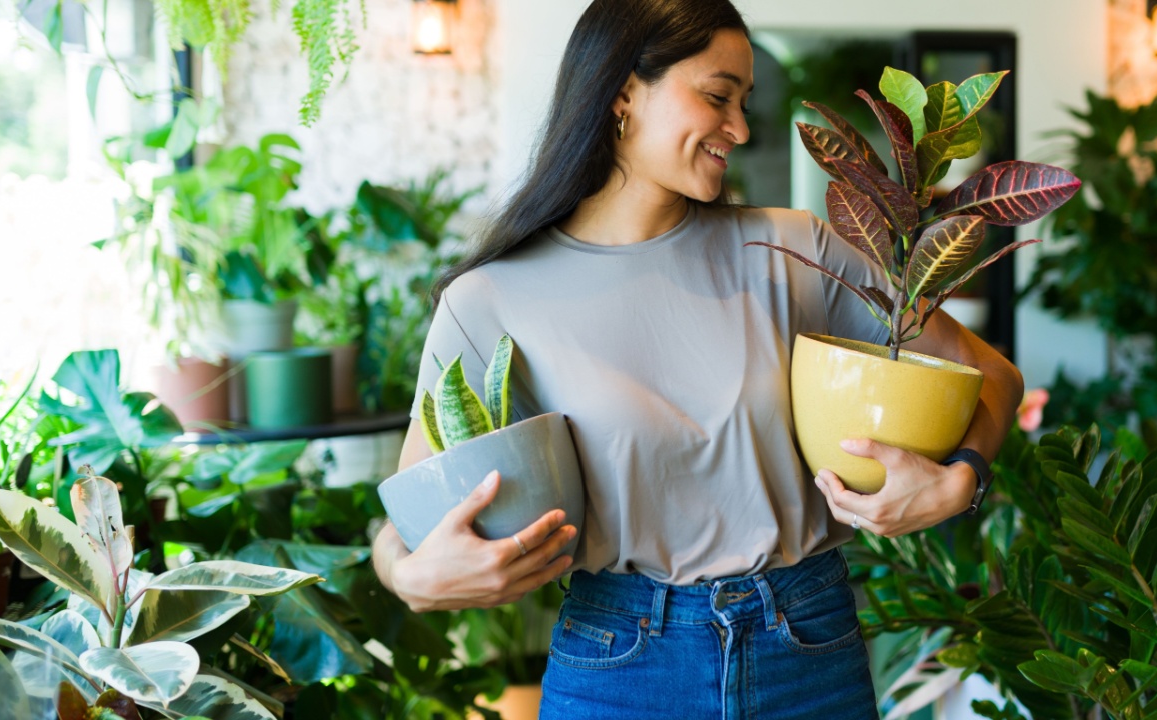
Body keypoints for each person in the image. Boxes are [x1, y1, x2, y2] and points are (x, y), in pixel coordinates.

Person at [371, 0, 1024, 717]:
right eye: (717, 97)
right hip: (618, 667)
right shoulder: (492, 298)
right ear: (622, 91)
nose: (740, 129)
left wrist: (960, 483)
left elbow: (993, 374)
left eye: (745, 103)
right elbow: (407, 522)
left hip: (806, 649)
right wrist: (410, 578)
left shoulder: (796, 252)